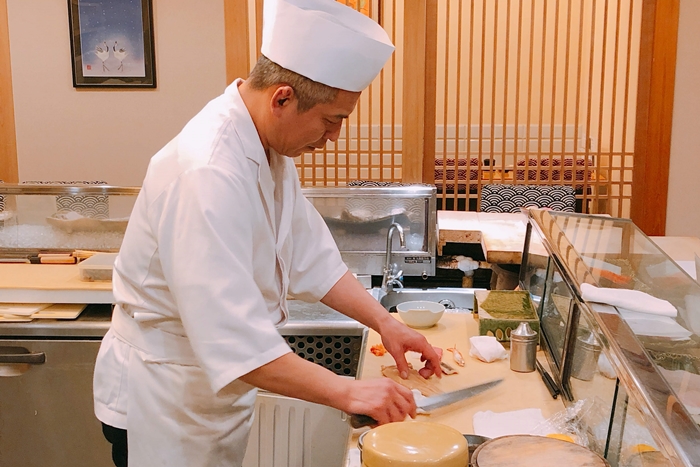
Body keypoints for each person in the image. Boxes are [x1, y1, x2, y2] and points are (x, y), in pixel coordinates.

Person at [93, 0, 442, 466]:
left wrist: (386, 323)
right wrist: (350, 392)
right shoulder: (207, 170)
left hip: (211, 391)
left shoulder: (267, 147)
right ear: (282, 98)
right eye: (331, 119)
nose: (333, 136)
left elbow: (308, 256)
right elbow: (231, 339)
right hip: (163, 396)